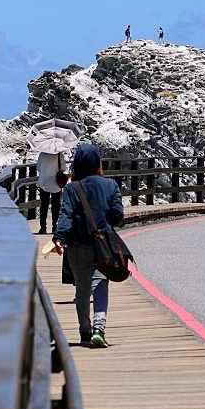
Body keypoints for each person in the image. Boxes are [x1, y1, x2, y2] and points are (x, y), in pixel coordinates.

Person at [52, 144, 124, 348]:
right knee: (101, 284)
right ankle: (99, 329)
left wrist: (59, 238)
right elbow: (118, 216)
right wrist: (104, 221)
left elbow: (65, 215)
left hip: (77, 245)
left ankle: (85, 330)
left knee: (82, 289)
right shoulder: (110, 185)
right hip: (103, 244)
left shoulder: (71, 188)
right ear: (97, 163)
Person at [35, 150, 68, 234]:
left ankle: (43, 228)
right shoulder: (59, 154)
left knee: (44, 205)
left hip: (44, 183)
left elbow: (38, 168)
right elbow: (64, 168)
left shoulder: (42, 154)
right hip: (56, 183)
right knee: (56, 206)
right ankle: (55, 227)